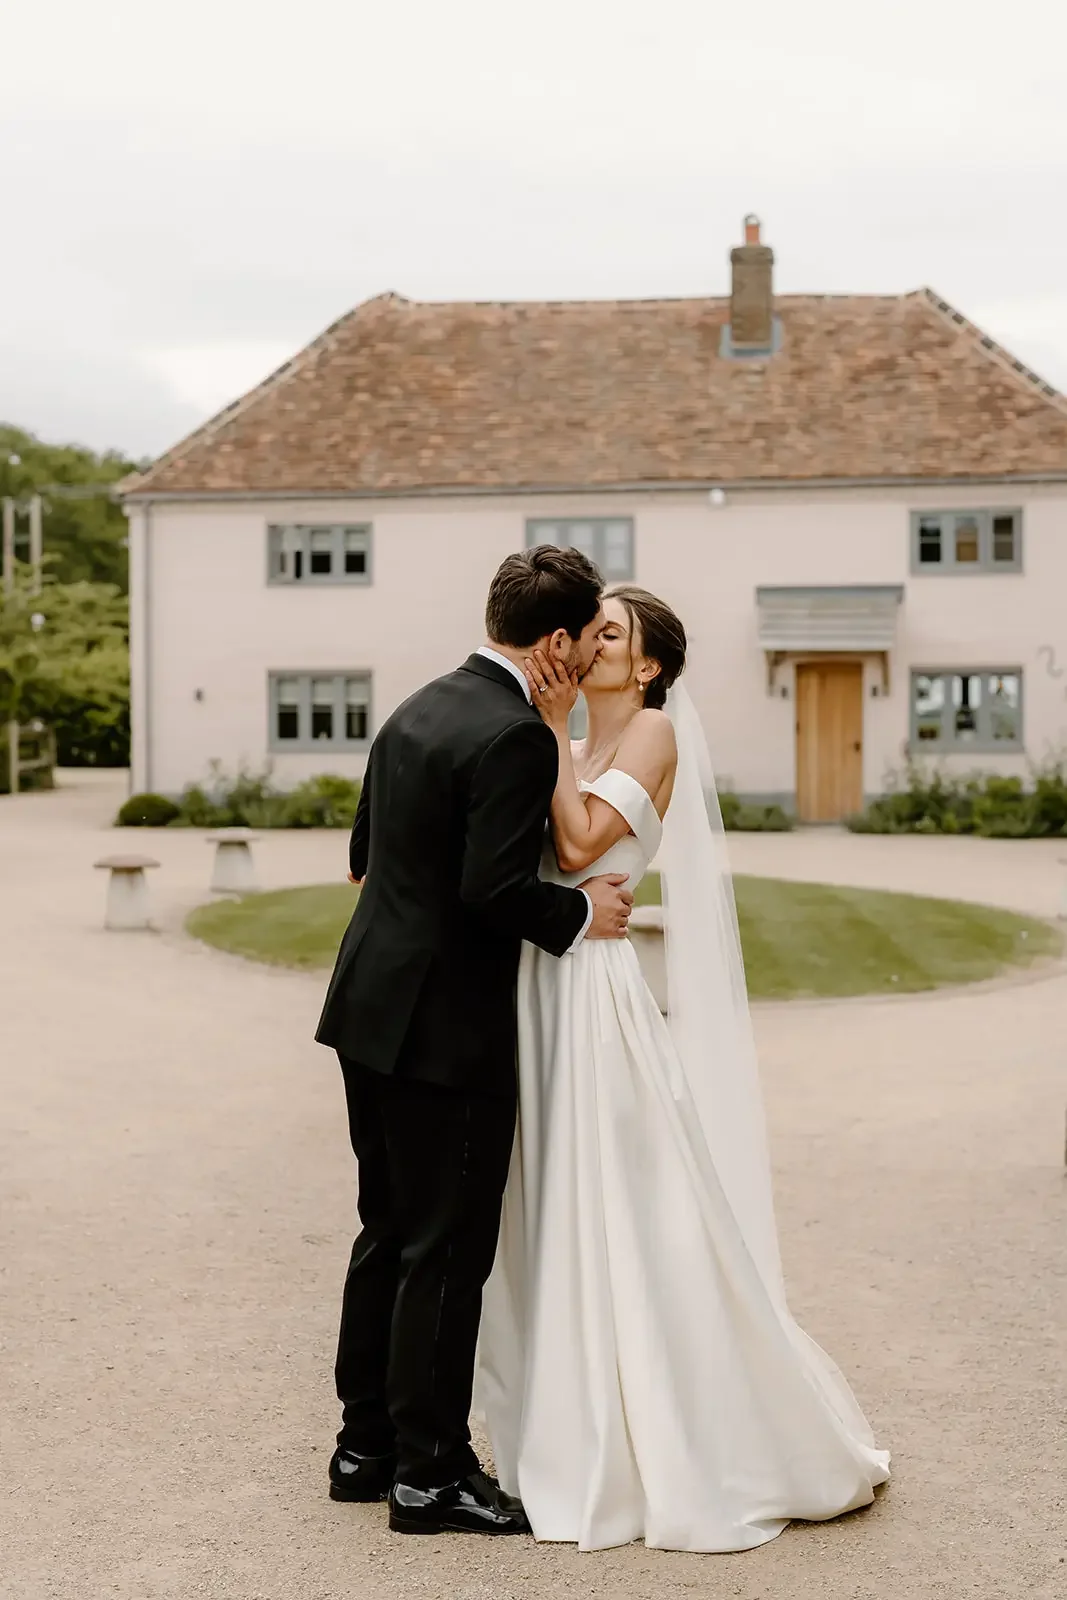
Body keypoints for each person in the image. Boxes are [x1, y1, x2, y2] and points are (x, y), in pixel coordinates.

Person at [476, 585, 891, 1553]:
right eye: (589, 630)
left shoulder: (650, 735)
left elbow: (578, 844)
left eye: (609, 633)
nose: (587, 643)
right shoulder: (570, 742)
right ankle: (556, 1413)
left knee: (616, 1204)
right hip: (539, 987)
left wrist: (542, 726)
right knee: (546, 1204)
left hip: (591, 998)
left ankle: (657, 1433)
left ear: (647, 664)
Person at [314, 546, 634, 1536]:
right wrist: (581, 911)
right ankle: (430, 1474)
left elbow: (365, 857)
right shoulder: (513, 737)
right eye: (586, 636)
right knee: (446, 1250)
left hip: (367, 1008)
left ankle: (362, 1445)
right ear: (554, 641)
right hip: (444, 1029)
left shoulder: (414, 706)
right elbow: (490, 893)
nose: (588, 652)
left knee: (385, 1230)